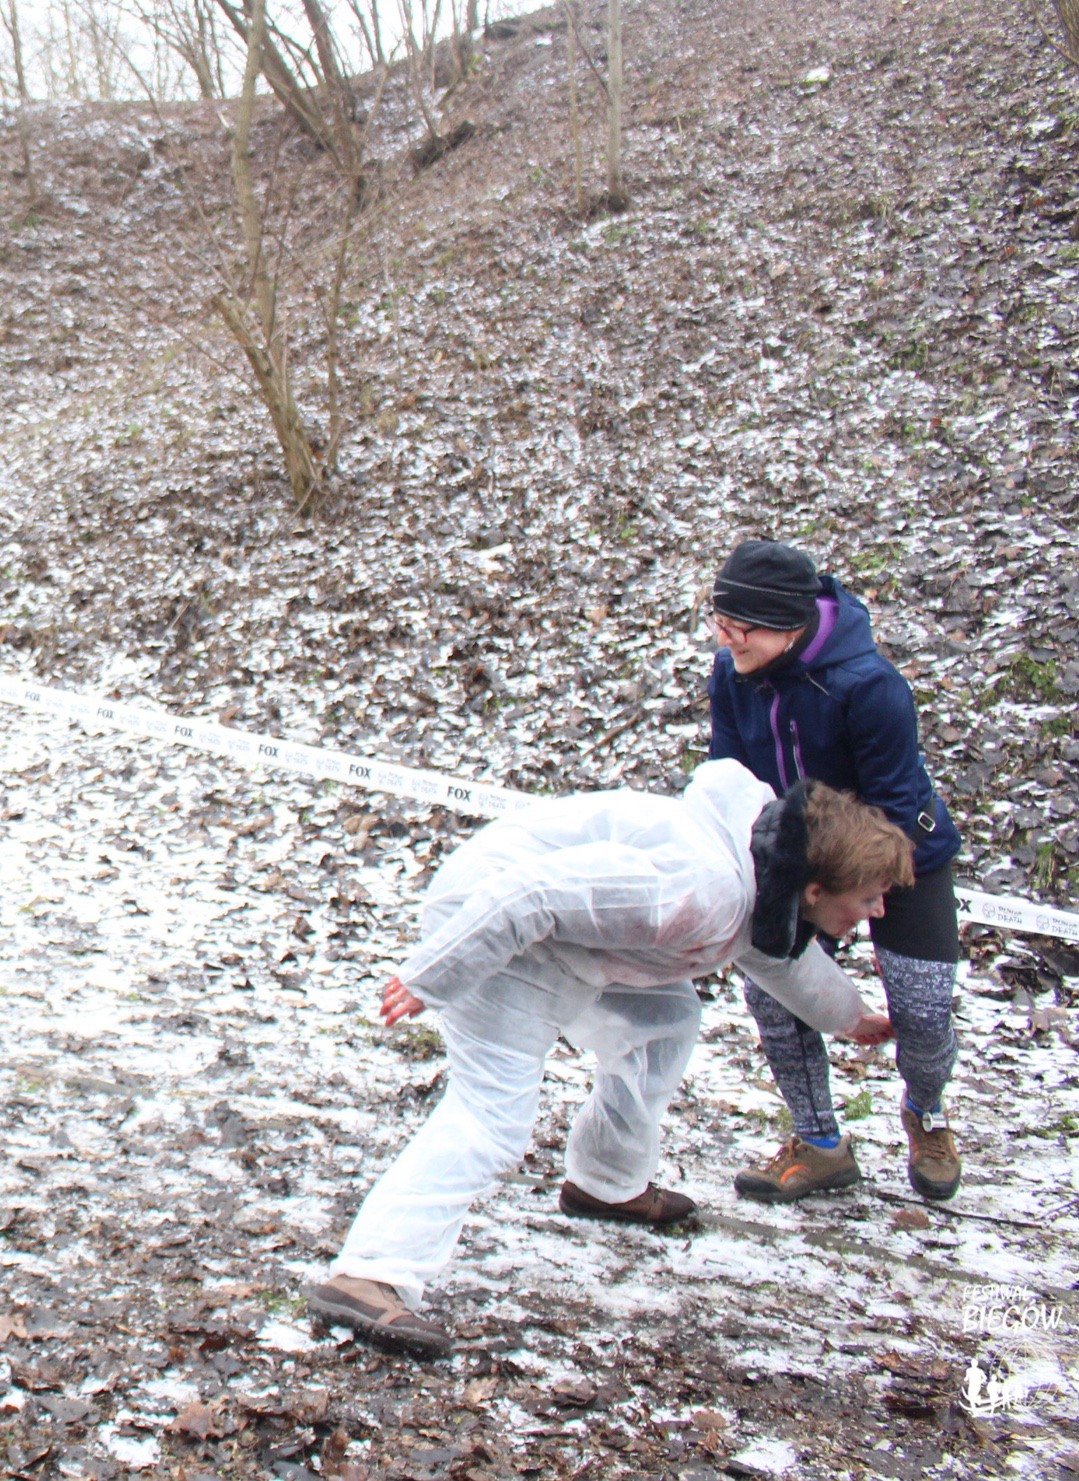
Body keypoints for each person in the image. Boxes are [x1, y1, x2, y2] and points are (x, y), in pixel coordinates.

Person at [307, 758, 913, 1357]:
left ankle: (607, 1181)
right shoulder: (700, 892)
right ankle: (368, 1273)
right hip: (490, 922)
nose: (878, 912)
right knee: (491, 1117)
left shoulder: (762, 875)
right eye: (868, 898)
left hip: (563, 937)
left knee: (664, 1021)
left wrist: (849, 1017)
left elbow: (778, 956)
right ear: (814, 889)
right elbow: (530, 896)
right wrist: (433, 976)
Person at [707, 538, 963, 1206]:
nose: (725, 639)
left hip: (900, 853)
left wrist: (846, 890)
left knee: (922, 1011)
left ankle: (927, 1111)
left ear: (789, 624)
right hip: (793, 858)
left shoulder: (870, 687)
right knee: (774, 992)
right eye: (719, 622)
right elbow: (728, 774)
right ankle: (819, 1143)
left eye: (740, 626)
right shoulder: (731, 672)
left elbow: (892, 806)